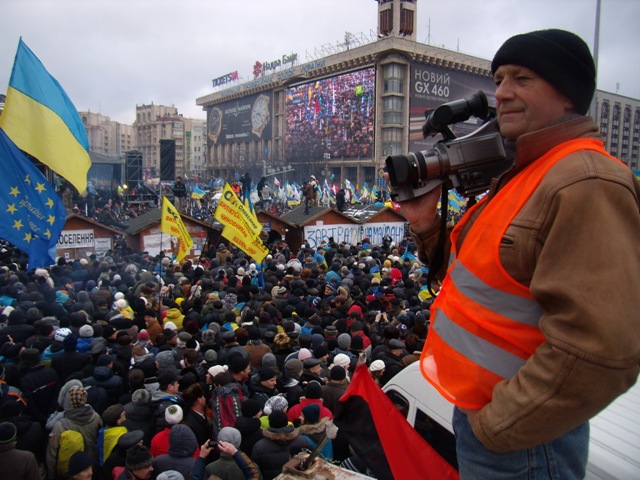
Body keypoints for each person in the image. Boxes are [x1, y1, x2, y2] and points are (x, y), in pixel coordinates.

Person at [401, 29, 640, 479]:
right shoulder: (527, 175)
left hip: (522, 443)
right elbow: (470, 281)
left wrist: (496, 426)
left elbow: (602, 352)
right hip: (492, 421)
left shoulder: (585, 181)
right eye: (499, 78)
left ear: (568, 94)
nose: (503, 93)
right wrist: (425, 224)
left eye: (522, 78)